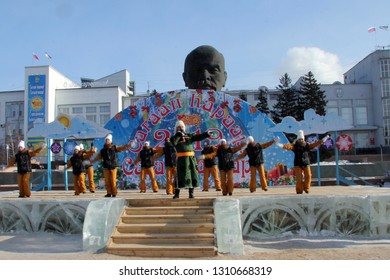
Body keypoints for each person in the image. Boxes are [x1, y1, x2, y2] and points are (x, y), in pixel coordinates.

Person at [276, 130, 329, 194]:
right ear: (297, 140)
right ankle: (299, 190)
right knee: (299, 178)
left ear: (304, 139)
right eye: (300, 139)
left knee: (308, 176)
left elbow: (316, 144)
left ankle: (306, 188)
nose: (301, 140)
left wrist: (324, 139)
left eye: (302, 139)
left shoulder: (307, 146)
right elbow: (288, 147)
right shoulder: (294, 146)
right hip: (298, 164)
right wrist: (280, 145)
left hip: (306, 163)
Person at [170, 120, 212, 199]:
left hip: (191, 159)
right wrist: (179, 134)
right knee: (180, 176)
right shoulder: (174, 138)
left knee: (193, 175)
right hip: (181, 159)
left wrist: (206, 134)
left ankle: (191, 193)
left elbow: (198, 137)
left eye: (182, 127)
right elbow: (174, 143)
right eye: (179, 127)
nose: (180, 128)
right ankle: (177, 194)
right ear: (176, 128)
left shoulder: (188, 136)